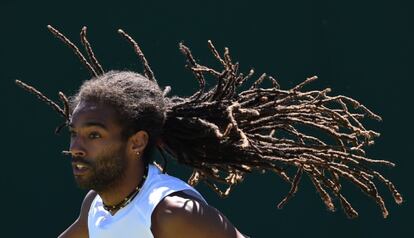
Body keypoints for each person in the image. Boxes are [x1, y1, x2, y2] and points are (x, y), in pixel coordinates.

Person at [15, 25, 403, 237]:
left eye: (94, 134)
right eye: (74, 133)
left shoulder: (172, 214)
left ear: (136, 143)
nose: (76, 147)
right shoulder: (97, 207)